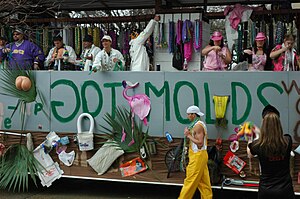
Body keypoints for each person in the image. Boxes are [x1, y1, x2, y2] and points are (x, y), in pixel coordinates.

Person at [247, 105, 295, 199]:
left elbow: (249, 154)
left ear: (264, 126)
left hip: (266, 192)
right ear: (279, 124)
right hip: (285, 191)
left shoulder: (258, 145)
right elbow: (274, 140)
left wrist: (250, 138)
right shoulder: (287, 141)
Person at [178, 105, 213, 199]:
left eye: (188, 114)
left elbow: (200, 143)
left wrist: (188, 135)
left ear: (193, 115)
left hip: (198, 155)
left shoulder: (198, 126)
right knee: (203, 182)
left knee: (190, 180)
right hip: (199, 155)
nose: (187, 116)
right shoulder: (197, 124)